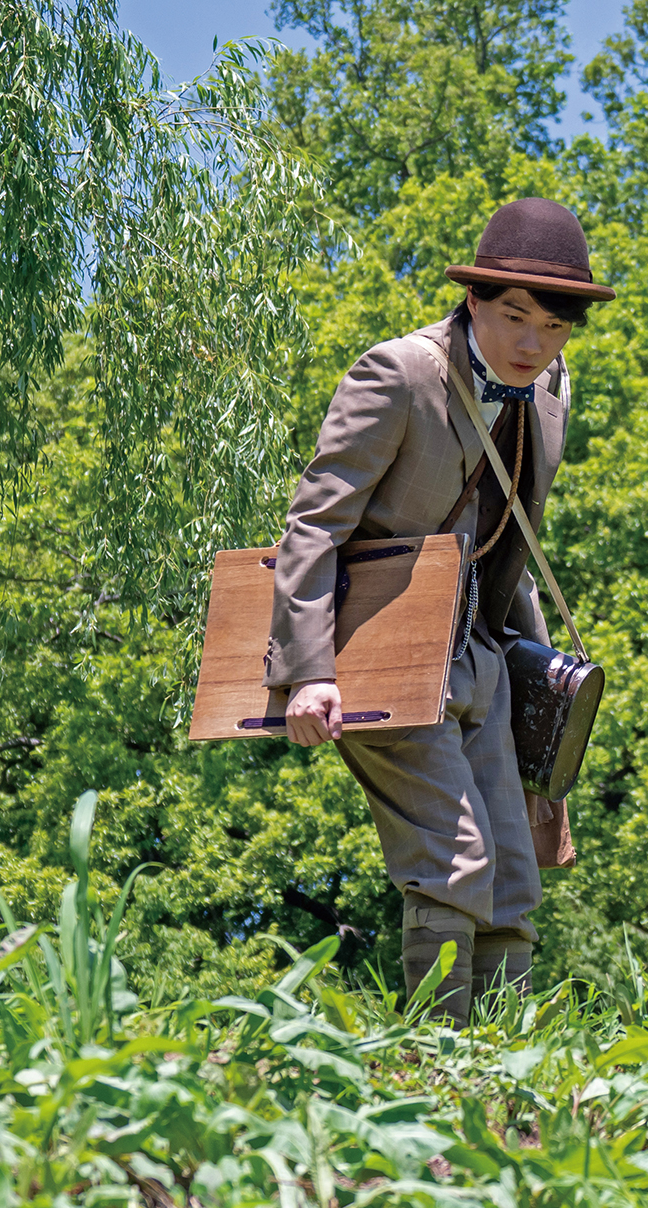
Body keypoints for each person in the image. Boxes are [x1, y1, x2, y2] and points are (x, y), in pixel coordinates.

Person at [262, 197, 611, 1025]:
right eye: (515, 317)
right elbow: (315, 522)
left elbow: (508, 542)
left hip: (483, 653)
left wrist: (541, 694)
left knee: (515, 874)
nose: (532, 344)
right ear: (475, 303)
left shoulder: (551, 388)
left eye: (553, 328)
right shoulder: (399, 373)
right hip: (376, 649)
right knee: (452, 861)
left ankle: (504, 1071)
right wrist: (308, 674)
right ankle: (435, 1063)